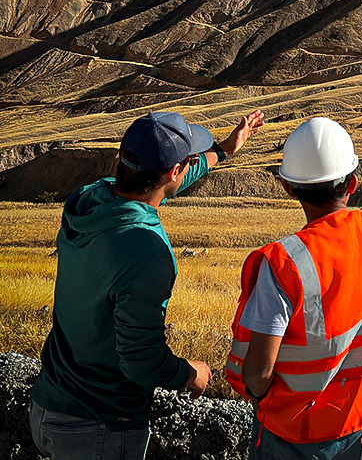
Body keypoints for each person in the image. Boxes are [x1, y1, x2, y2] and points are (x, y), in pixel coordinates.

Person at [30, 109, 265, 460]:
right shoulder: (146, 251)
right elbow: (139, 360)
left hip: (47, 404)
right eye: (186, 163)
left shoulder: (89, 200)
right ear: (173, 172)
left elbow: (166, 180)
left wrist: (224, 149)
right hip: (99, 425)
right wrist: (190, 373)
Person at [226, 112, 362, 460]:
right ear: (353, 183)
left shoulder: (284, 263)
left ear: (288, 187)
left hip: (295, 434)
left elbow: (256, 375)